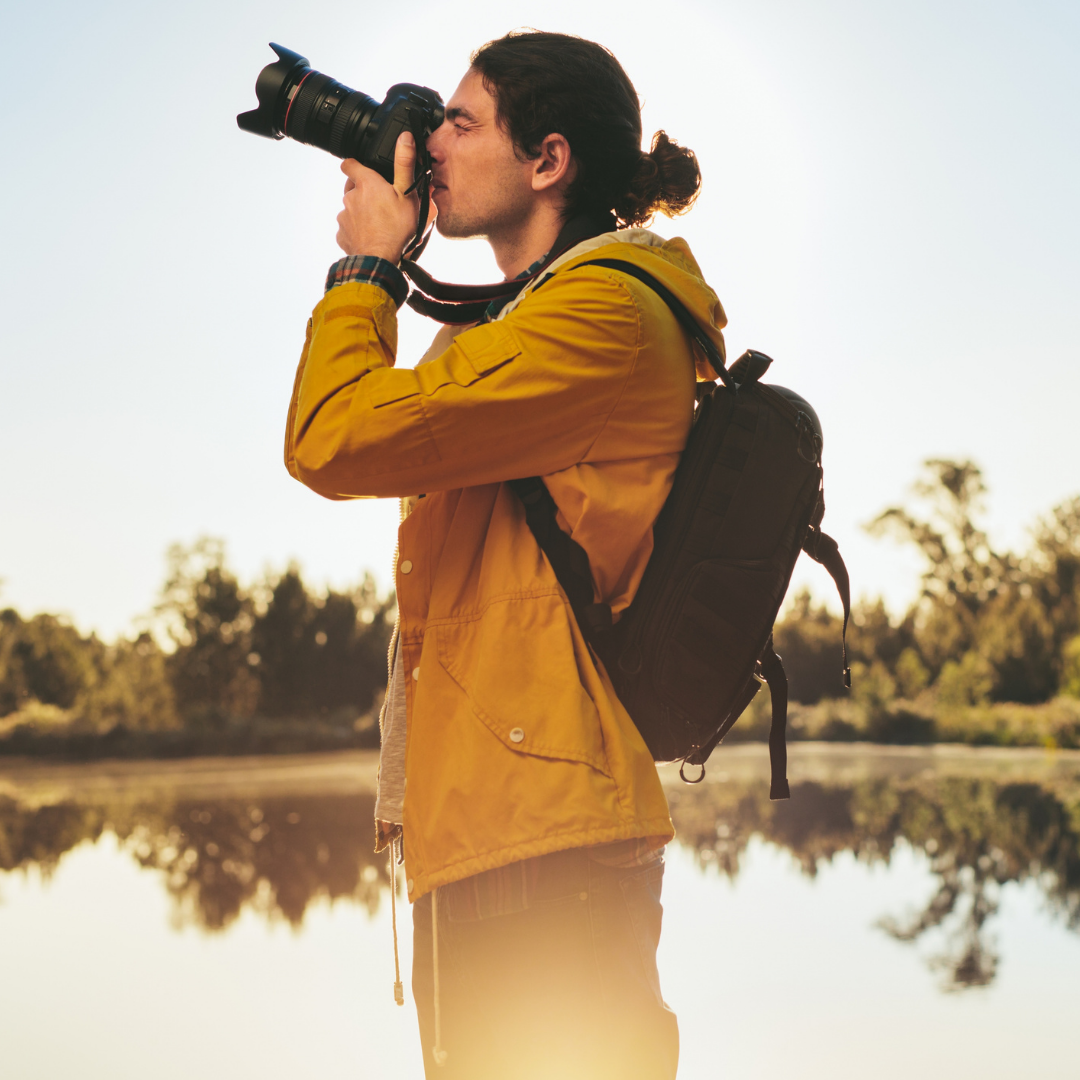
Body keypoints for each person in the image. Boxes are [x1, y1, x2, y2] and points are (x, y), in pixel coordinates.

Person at [284, 30, 726, 1080]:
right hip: (496, 827)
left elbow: (333, 436)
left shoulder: (602, 312)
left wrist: (363, 271)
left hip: (544, 844)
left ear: (548, 161)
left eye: (459, 121)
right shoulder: (521, 320)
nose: (432, 142)